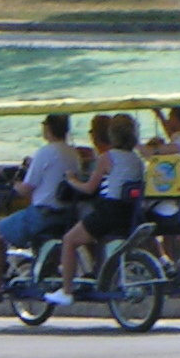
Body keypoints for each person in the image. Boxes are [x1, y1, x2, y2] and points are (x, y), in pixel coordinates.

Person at [49, 113, 147, 305]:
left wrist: (72, 180)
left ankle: (66, 291)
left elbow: (89, 188)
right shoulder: (137, 161)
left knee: (69, 240)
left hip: (109, 212)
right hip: (130, 214)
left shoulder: (106, 158)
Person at [0, 114, 78, 298]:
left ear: (48, 129)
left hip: (43, 214)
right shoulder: (73, 153)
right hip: (67, 214)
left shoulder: (45, 152)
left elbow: (26, 189)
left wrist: (14, 187)